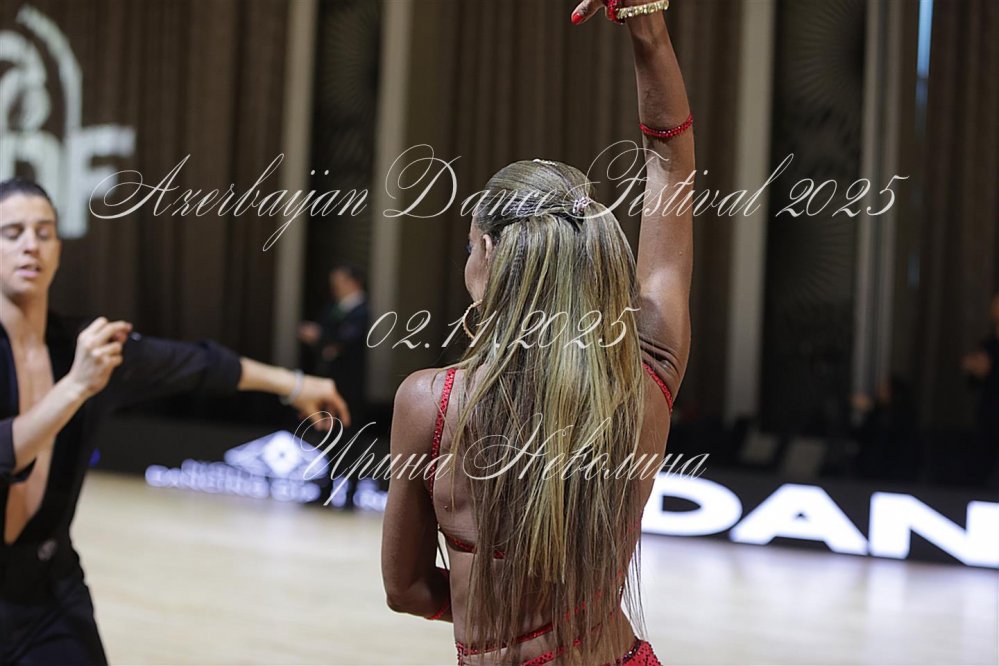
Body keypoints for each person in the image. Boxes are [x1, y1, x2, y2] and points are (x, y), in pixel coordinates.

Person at [381, 1, 692, 664]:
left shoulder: (430, 403)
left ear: (490, 253)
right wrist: (647, 24)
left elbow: (405, 589)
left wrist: (489, 610)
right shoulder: (642, 382)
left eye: (469, 244)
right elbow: (670, 165)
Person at [0, 177, 351, 664]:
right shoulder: (86, 366)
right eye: (12, 232)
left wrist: (294, 384)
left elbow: (197, 363)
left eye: (44, 232)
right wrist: (77, 385)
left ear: (59, 249)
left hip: (49, 586)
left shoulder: (86, 347)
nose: (30, 245)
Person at [298, 264, 370, 508]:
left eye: (340, 281)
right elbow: (330, 345)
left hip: (350, 386)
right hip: (329, 382)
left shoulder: (362, 311)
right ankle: (326, 487)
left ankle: (351, 492)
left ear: (354, 282)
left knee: (350, 436)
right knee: (327, 434)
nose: (335, 287)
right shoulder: (332, 309)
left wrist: (321, 338)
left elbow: (345, 342)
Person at [960, 292, 999, 487]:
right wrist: (974, 370)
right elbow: (972, 384)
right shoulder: (987, 345)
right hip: (989, 418)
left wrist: (990, 370)